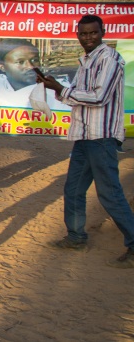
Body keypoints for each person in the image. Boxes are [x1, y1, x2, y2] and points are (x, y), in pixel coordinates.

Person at [40, 14, 134, 268]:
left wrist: (61, 90)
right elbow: (80, 97)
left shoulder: (110, 59)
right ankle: (76, 236)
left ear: (102, 32)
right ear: (78, 35)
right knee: (73, 189)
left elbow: (99, 97)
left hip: (101, 137)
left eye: (93, 33)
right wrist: (57, 88)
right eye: (83, 33)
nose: (88, 37)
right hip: (84, 136)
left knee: (109, 194)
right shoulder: (86, 61)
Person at [0, 38, 69, 110]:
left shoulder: (56, 87)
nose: (30, 66)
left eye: (34, 60)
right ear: (2, 67)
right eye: (20, 62)